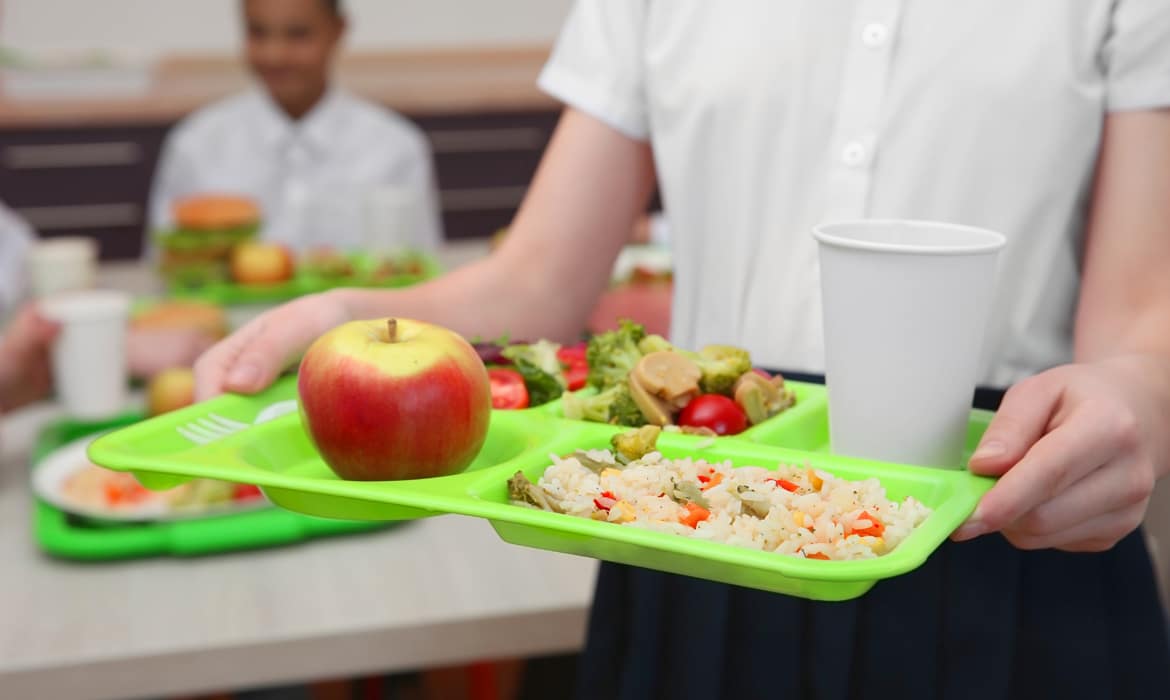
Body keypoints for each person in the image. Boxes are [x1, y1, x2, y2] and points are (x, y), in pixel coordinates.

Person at [194, 1, 1170, 697]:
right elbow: (539, 283)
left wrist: (1142, 394)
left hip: (1007, 525)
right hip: (701, 525)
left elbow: (1136, 326)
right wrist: (353, 315)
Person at [148, 0, 442, 253]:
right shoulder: (195, 145)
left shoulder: (395, 148)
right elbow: (164, 271)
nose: (275, 55)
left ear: (338, 31)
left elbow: (422, 274)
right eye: (258, 32)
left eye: (298, 34)